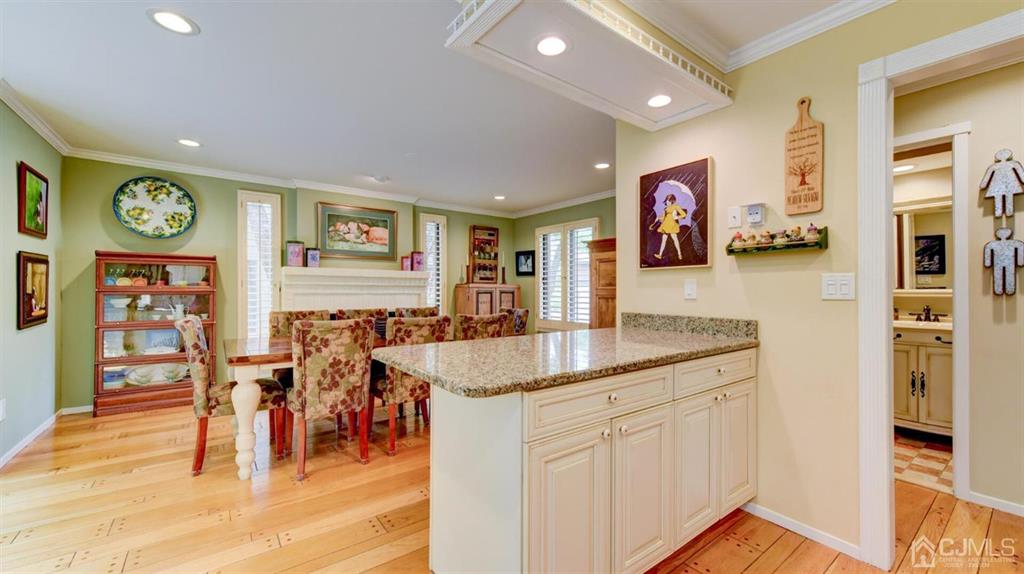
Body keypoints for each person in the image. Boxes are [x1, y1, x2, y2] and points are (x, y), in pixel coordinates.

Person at [654, 194, 687, 260]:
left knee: (675, 239)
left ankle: (679, 254)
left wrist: (676, 217)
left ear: (672, 201)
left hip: (672, 225)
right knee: (664, 240)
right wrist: (658, 218)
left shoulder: (676, 206)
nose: (667, 202)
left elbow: (684, 214)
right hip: (666, 225)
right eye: (666, 201)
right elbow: (663, 218)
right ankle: (660, 255)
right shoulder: (666, 208)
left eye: (669, 201)